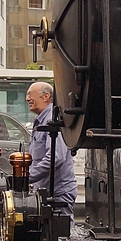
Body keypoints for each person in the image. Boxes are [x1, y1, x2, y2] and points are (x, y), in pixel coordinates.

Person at [25, 82, 78, 216]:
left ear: (46, 97)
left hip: (58, 194)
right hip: (46, 191)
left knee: (58, 234)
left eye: (30, 94)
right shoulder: (41, 120)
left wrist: (27, 177)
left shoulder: (52, 119)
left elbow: (56, 157)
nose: (27, 98)